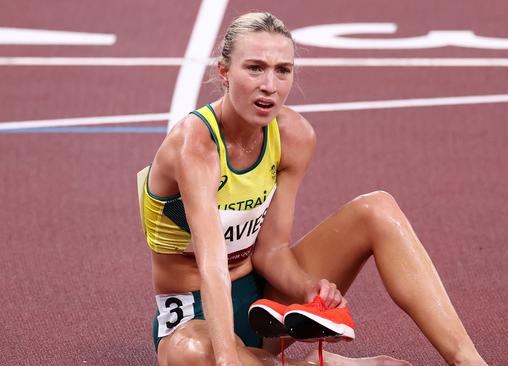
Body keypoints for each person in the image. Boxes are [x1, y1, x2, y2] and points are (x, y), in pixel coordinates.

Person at [138, 11, 488, 366]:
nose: (270, 85)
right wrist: (227, 359)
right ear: (224, 72)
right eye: (255, 68)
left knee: (377, 209)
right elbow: (211, 263)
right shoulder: (196, 146)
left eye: (283, 70)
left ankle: (468, 360)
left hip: (264, 308)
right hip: (195, 317)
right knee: (194, 356)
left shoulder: (293, 136)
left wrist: (309, 289)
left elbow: (270, 250)